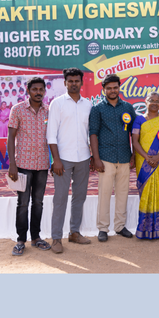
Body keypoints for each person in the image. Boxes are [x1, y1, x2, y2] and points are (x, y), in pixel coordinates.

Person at [47, 68, 93, 253]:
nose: (74, 83)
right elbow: (51, 134)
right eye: (70, 81)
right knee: (60, 198)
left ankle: (74, 232)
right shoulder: (57, 103)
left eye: (77, 81)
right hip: (63, 159)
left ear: (82, 82)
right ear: (65, 83)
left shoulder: (88, 105)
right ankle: (56, 238)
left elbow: (90, 133)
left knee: (79, 197)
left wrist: (92, 156)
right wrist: (56, 159)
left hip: (83, 158)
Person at [89, 74, 136, 242]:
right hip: (105, 157)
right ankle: (103, 228)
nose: (112, 90)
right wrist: (96, 158)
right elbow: (93, 134)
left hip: (124, 157)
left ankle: (120, 226)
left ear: (119, 88)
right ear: (103, 90)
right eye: (109, 88)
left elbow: (134, 133)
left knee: (123, 193)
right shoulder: (97, 109)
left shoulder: (128, 107)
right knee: (105, 194)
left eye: (115, 87)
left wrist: (134, 155)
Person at [7, 77, 51, 256]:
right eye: (35, 89)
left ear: (44, 91)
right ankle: (20, 240)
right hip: (23, 164)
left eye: (41, 89)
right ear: (28, 90)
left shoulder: (48, 111)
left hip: (42, 165)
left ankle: (36, 237)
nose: (38, 92)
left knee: (38, 202)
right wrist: (12, 164)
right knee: (23, 203)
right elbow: (11, 138)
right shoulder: (17, 109)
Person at [132, 92, 159, 239]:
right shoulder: (139, 120)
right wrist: (147, 157)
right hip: (143, 160)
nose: (154, 103)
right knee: (146, 191)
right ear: (146, 101)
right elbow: (135, 141)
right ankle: (144, 228)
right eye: (151, 100)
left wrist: (158, 155)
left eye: (157, 101)